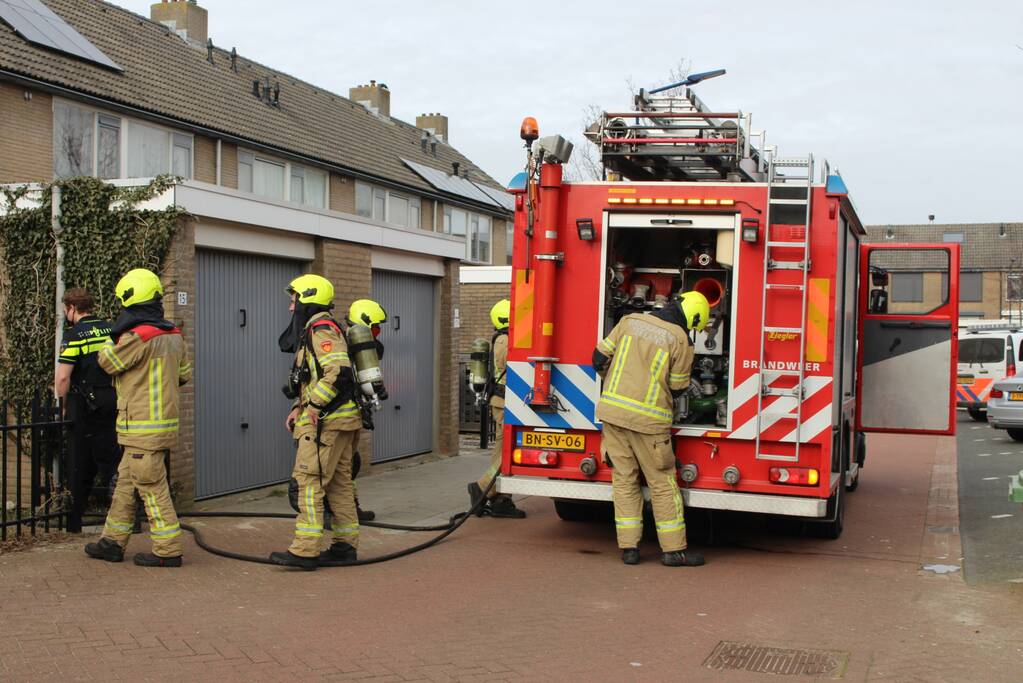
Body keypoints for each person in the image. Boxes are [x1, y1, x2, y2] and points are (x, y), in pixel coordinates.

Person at [592, 290, 708, 567]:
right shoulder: (681, 340)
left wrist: (616, 385)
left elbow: (598, 358)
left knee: (624, 479)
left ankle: (629, 549)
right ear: (692, 318)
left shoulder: (630, 321)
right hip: (649, 422)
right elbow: (679, 386)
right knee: (662, 482)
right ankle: (673, 551)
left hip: (613, 414)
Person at [84, 268, 192, 567]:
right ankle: (112, 542)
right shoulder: (173, 334)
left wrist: (109, 338)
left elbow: (108, 362)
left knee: (152, 488)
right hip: (158, 425)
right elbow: (184, 375)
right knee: (125, 486)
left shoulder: (137, 336)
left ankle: (168, 549)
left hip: (142, 426)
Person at [272, 274, 362, 570]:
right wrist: (299, 406)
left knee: (309, 481)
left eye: (294, 299)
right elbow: (313, 377)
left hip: (327, 422)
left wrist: (312, 406)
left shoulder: (321, 330)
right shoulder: (319, 328)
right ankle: (345, 546)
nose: (290, 307)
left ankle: (305, 549)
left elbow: (336, 371)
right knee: (339, 484)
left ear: (307, 299)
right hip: (340, 420)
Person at [55, 288, 120, 533]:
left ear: (72, 308)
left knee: (81, 460)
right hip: (113, 398)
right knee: (112, 455)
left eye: (65, 309)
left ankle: (76, 518)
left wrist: (62, 407)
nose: (65, 313)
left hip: (86, 404)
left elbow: (63, 378)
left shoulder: (74, 335)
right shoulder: (111, 329)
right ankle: (125, 513)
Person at [467, 299, 526, 518]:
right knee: (507, 452)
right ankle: (482, 487)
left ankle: (502, 499)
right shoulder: (504, 339)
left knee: (502, 452)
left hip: (509, 402)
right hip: (504, 403)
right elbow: (510, 362)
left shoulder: (507, 337)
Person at [344, 298, 389, 523]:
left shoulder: (357, 345)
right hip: (338, 415)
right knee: (342, 464)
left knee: (350, 463)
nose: (378, 331)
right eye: (376, 326)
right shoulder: (344, 344)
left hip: (351, 412)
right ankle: (335, 511)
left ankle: (351, 508)